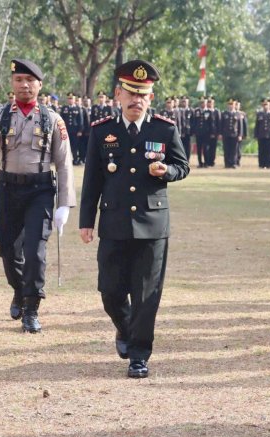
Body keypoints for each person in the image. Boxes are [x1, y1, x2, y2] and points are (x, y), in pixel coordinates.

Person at [79, 59, 189, 378]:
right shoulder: (102, 131)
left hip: (152, 224)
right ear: (118, 94)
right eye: (130, 93)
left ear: (150, 98)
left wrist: (166, 171)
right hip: (113, 222)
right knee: (110, 292)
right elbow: (92, 180)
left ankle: (139, 355)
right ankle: (125, 327)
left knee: (146, 296)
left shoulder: (164, 129)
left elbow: (182, 166)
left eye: (142, 94)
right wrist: (86, 221)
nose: (136, 100)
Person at [0, 59, 76, 333]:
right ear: (12, 83)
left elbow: (64, 163)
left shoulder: (52, 119)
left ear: (39, 85)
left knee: (35, 251)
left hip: (40, 190)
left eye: (30, 80)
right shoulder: (0, 115)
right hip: (8, 189)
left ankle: (31, 308)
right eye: (19, 80)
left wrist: (65, 204)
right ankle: (19, 289)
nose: (24, 85)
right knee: (8, 250)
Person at [254, 98, 270, 169]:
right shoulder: (259, 114)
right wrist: (256, 134)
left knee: (269, 151)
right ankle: (261, 164)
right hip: (261, 135)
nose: (265, 106)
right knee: (261, 150)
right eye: (264, 105)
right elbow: (257, 125)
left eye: (266, 105)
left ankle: (269, 164)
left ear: (269, 105)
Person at [60, 93, 85, 165]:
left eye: (72, 99)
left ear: (74, 100)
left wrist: (80, 130)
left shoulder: (78, 108)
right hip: (66, 130)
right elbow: (61, 119)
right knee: (66, 146)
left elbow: (80, 120)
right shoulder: (64, 108)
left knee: (75, 146)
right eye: (69, 98)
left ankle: (75, 159)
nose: (70, 100)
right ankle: (66, 160)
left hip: (75, 131)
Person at [220, 99, 242, 168]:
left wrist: (240, 135)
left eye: (232, 104)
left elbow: (240, 125)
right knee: (226, 149)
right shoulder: (224, 113)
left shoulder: (238, 114)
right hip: (226, 134)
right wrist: (220, 134)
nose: (231, 106)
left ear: (235, 105)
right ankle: (227, 163)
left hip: (234, 134)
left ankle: (233, 163)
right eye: (229, 104)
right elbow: (221, 124)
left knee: (234, 150)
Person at [177, 96, 193, 161]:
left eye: (185, 101)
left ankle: (187, 160)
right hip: (180, 132)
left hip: (188, 132)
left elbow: (193, 121)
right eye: (183, 101)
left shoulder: (191, 110)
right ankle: (181, 160)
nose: (184, 102)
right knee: (180, 147)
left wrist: (192, 131)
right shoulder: (178, 110)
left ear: (188, 102)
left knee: (188, 147)